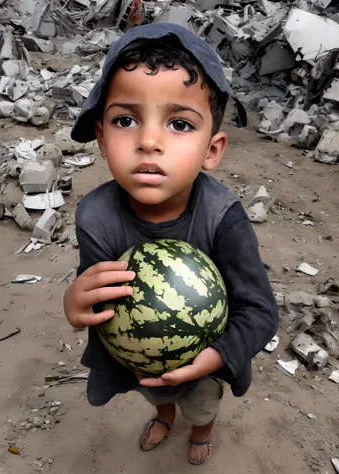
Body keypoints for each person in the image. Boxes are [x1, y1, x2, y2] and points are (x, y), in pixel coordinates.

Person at [63, 23, 279, 465]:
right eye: (126, 120)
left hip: (203, 360)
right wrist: (75, 303)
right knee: (153, 393)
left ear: (212, 150)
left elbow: (260, 311)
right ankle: (163, 415)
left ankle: (201, 431)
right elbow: (103, 296)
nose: (148, 141)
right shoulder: (95, 217)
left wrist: (213, 358)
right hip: (139, 359)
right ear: (101, 138)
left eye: (179, 123)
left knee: (201, 403)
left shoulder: (225, 218)